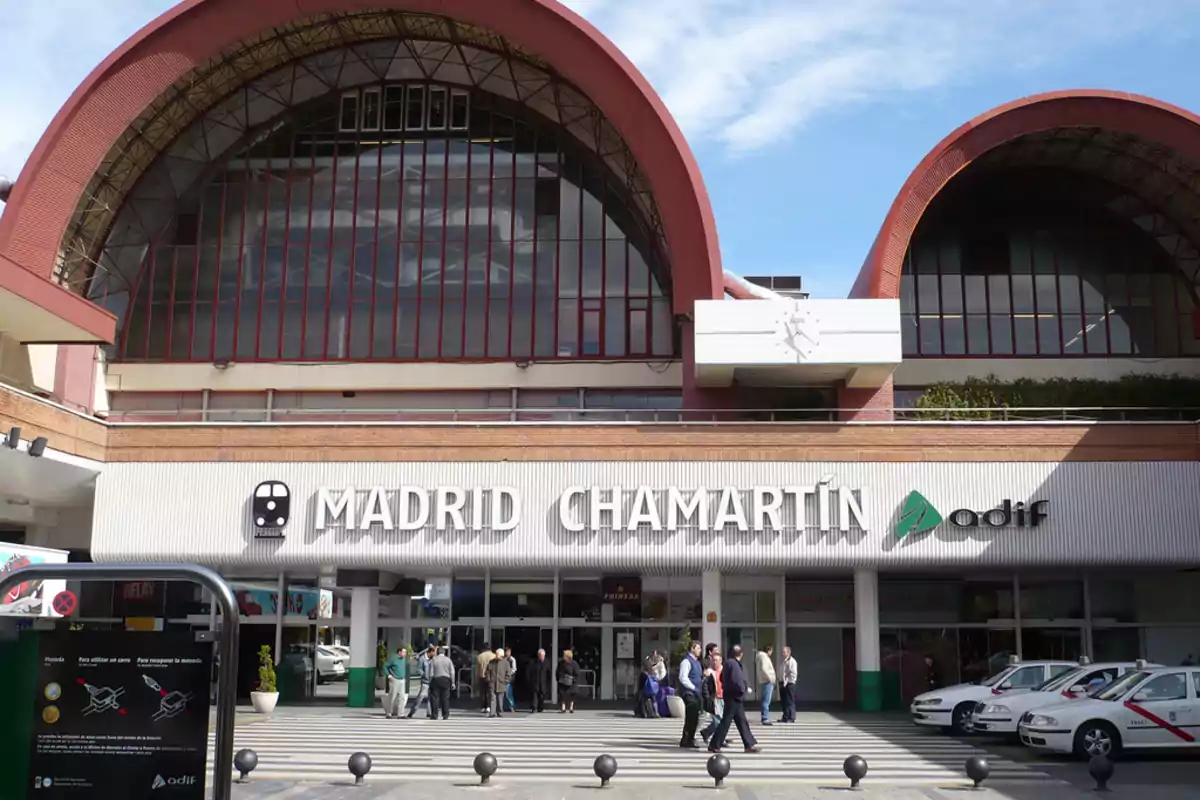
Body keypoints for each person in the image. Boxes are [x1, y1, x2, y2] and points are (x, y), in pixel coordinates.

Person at [708, 644, 760, 753]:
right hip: (734, 696)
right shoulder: (734, 664)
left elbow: (722, 678)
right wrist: (743, 690)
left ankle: (748, 744)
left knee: (741, 721)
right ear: (741, 654)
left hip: (730, 695)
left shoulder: (728, 663)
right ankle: (714, 744)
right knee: (726, 721)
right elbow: (738, 681)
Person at [701, 651, 730, 747]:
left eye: (716, 660)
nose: (714, 662)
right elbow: (705, 686)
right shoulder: (709, 672)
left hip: (725, 697)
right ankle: (719, 740)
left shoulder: (725, 670)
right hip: (715, 699)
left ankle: (706, 732)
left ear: (721, 661)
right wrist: (708, 698)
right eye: (713, 660)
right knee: (719, 720)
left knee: (721, 720)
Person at [677, 640, 704, 748]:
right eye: (698, 648)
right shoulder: (686, 662)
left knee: (693, 717)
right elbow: (683, 677)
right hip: (689, 693)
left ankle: (687, 738)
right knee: (691, 716)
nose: (700, 650)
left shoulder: (697, 662)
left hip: (696, 693)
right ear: (692, 649)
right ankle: (688, 739)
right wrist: (694, 688)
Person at [406, 644, 436, 719]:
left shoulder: (433, 659)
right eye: (433, 652)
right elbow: (419, 669)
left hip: (432, 681)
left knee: (431, 698)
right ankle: (412, 712)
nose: (435, 654)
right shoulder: (422, 659)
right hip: (425, 682)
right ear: (430, 652)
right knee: (420, 697)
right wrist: (424, 674)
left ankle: (429, 713)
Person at [429, 646, 456, 720]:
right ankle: (445, 714)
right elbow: (452, 672)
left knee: (434, 698)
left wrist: (430, 680)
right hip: (446, 680)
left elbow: (431, 672)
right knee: (445, 698)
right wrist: (453, 682)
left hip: (436, 679)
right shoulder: (448, 660)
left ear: (437, 652)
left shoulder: (434, 660)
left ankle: (434, 714)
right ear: (444, 652)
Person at [486, 647, 513, 717]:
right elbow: (488, 671)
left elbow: (508, 674)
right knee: (492, 698)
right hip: (493, 683)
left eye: (498, 655)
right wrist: (489, 679)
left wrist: (506, 681)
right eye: (496, 654)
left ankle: (499, 711)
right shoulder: (491, 662)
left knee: (500, 699)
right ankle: (492, 712)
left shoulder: (506, 663)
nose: (496, 655)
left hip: (501, 684)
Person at [382, 646, 408, 718]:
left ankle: (401, 714)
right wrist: (389, 676)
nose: (405, 654)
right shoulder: (393, 658)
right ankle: (389, 713)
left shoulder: (403, 659)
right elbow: (385, 666)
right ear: (399, 652)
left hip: (402, 679)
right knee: (392, 697)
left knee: (402, 697)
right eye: (404, 652)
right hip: (394, 679)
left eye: (405, 652)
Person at [755, 644, 776, 725]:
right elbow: (764, 668)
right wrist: (770, 678)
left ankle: (764, 717)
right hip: (767, 681)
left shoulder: (760, 656)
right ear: (769, 650)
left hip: (764, 680)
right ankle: (765, 718)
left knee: (765, 700)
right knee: (766, 700)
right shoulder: (764, 657)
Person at [779, 645, 798, 724]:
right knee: (784, 701)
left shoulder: (792, 661)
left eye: (784, 652)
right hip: (783, 683)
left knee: (790, 701)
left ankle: (791, 717)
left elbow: (792, 673)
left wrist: (786, 681)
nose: (782, 653)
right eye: (782, 652)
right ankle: (785, 716)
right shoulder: (784, 661)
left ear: (788, 652)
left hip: (789, 683)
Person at [530, 648, 552, 713]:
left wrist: (548, 682)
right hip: (535, 682)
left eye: (543, 655)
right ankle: (534, 708)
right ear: (538, 655)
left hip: (543, 683)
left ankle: (540, 707)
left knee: (542, 696)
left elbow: (549, 673)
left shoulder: (547, 662)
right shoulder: (534, 662)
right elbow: (529, 672)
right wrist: (531, 680)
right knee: (535, 696)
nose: (542, 657)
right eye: (541, 655)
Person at [476, 643, 496, 713]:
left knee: (482, 692)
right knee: (490, 692)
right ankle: (489, 706)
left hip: (482, 676)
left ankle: (483, 706)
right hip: (491, 676)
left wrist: (477, 675)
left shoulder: (479, 656)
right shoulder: (494, 656)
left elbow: (478, 668)